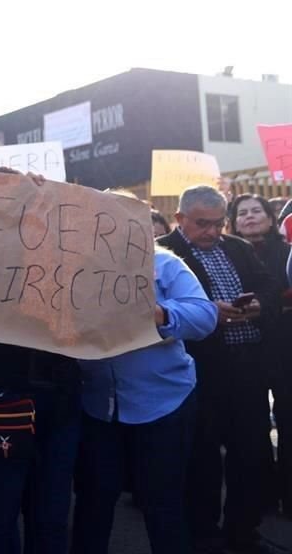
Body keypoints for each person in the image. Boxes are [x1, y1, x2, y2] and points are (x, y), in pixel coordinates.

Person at [0, 168, 79, 554]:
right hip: (0, 399)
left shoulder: (58, 246)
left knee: (52, 515)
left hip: (61, 399)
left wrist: (51, 203)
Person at [71, 242, 217, 554]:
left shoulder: (164, 263)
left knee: (162, 501)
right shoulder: (69, 266)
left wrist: (160, 314)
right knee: (93, 499)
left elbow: (205, 316)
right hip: (96, 404)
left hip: (163, 401)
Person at [157, 185, 277, 553]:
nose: (211, 232)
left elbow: (269, 287)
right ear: (180, 219)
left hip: (247, 365)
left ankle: (244, 529)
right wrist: (207, 312)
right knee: (202, 455)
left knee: (250, 450)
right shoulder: (165, 252)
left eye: (218, 223)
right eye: (202, 224)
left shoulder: (238, 247)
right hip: (198, 368)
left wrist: (259, 304)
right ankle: (204, 531)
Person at [229, 194, 292, 515]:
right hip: (245, 354)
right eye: (242, 213)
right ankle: (262, 497)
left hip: (285, 349)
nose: (250, 217)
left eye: (257, 211)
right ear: (233, 221)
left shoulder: (287, 253)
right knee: (252, 429)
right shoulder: (228, 254)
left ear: (270, 218)